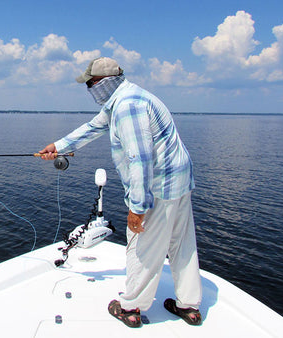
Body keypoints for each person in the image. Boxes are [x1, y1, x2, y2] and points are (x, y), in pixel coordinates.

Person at [39, 57, 202, 328]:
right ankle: (189, 306)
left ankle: (131, 307)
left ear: (103, 82)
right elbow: (93, 127)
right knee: (182, 244)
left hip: (158, 187)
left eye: (90, 83)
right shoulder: (128, 97)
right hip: (179, 182)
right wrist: (58, 145)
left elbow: (140, 158)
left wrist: (138, 208)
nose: (89, 89)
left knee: (142, 247)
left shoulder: (127, 106)